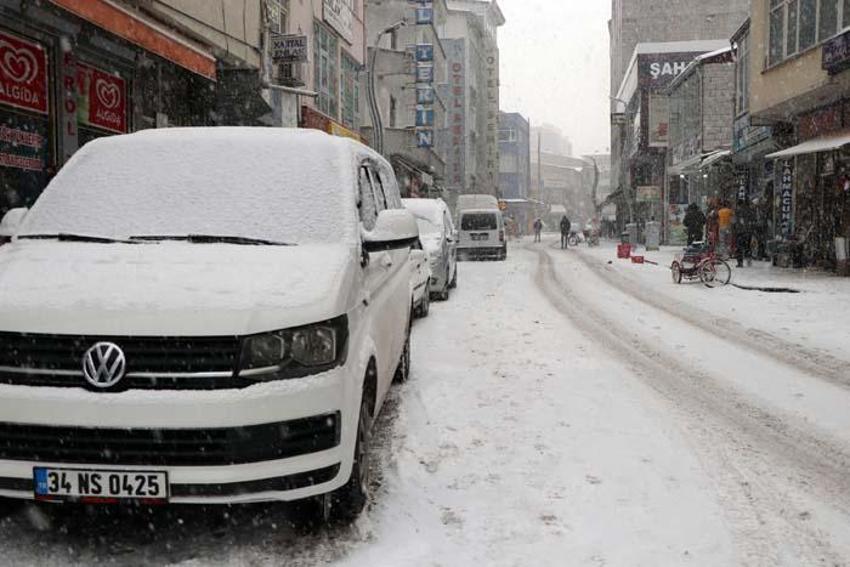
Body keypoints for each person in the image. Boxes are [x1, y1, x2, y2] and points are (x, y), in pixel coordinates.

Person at [734, 200, 755, 267]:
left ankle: (740, 262)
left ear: (738, 205)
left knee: (739, 247)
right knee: (747, 246)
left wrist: (735, 230)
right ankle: (749, 260)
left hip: (740, 232)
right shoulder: (749, 211)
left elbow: (734, 222)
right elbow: (752, 221)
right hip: (748, 232)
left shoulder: (738, 212)